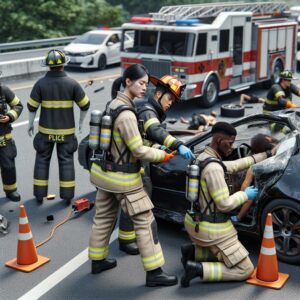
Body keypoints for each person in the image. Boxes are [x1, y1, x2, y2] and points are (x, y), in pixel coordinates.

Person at [88, 64, 178, 287]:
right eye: (141, 83)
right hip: (124, 179)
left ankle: (97, 261)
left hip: (103, 175)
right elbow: (138, 150)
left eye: (147, 84)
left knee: (103, 219)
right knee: (147, 223)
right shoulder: (127, 114)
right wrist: (163, 156)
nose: (144, 88)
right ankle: (155, 272)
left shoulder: (112, 104)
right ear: (127, 82)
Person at [180, 122, 276, 287]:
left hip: (195, 222)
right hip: (212, 230)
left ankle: (193, 251)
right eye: (230, 143)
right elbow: (224, 204)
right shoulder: (213, 169)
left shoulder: (203, 157)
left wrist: (266, 154)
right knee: (245, 269)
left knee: (226, 255)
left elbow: (234, 165)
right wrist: (244, 194)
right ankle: (197, 269)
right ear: (218, 140)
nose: (232, 147)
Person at [115, 74, 195, 255]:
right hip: (136, 165)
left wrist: (159, 147)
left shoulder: (151, 110)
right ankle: (127, 241)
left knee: (139, 203)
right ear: (158, 94)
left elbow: (146, 139)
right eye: (169, 99)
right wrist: (177, 144)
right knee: (135, 203)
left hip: (141, 162)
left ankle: (132, 237)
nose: (170, 104)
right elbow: (154, 130)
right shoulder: (148, 111)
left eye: (173, 102)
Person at [27, 49, 90, 205]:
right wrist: (81, 124)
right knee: (66, 162)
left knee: (42, 161)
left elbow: (31, 107)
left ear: (48, 66)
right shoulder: (72, 84)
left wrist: (30, 124)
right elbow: (85, 105)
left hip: (45, 133)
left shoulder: (40, 83)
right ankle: (67, 196)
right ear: (63, 65)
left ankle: (39, 195)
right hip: (67, 134)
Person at [231, 134, 278, 222]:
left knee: (250, 193)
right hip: (276, 184)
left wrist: (240, 197)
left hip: (265, 191)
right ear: (268, 138)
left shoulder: (253, 168)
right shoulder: (279, 148)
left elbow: (245, 186)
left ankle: (238, 217)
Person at [0, 83, 23, 202]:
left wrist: (9, 116)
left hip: (4, 137)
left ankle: (11, 190)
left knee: (8, 166)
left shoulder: (3, 90)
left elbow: (18, 105)